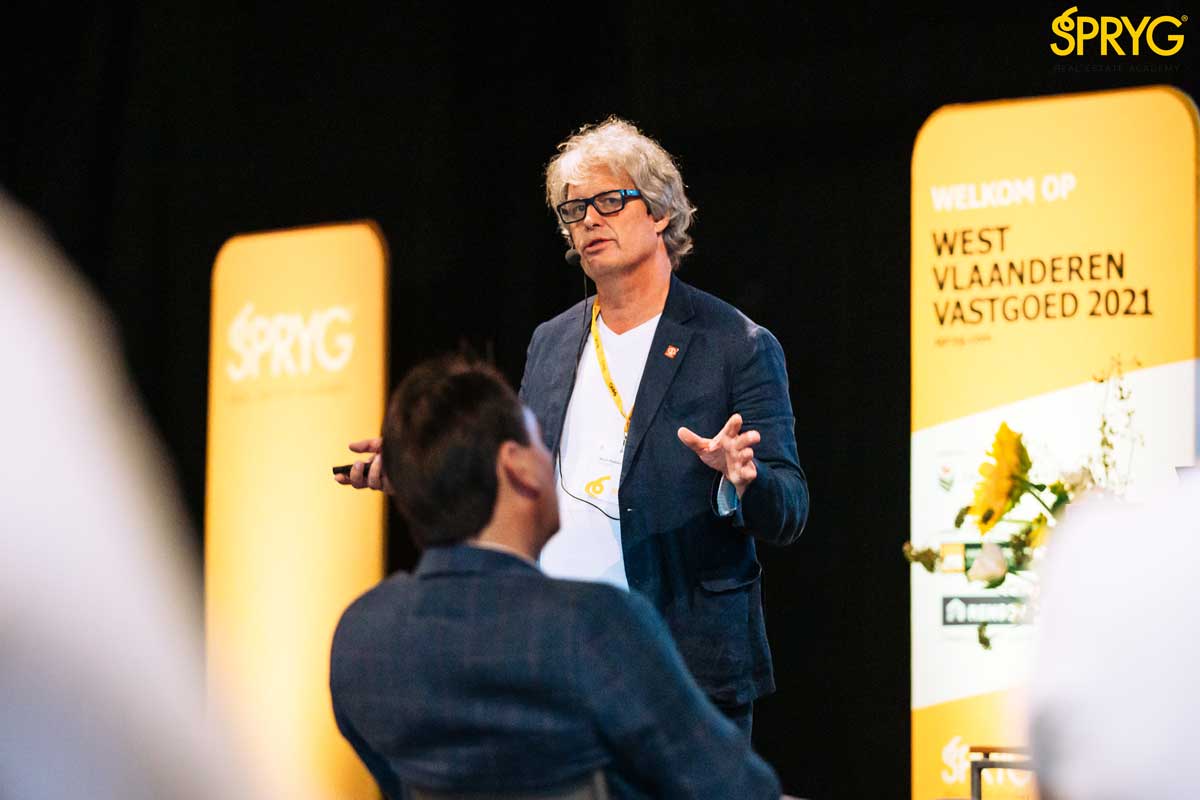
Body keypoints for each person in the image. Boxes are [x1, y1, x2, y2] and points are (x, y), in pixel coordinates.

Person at [336, 117, 810, 734]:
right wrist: (420, 470)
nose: (588, 220)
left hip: (681, 661)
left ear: (661, 213)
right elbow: (515, 475)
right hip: (555, 652)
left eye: (609, 201)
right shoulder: (552, 342)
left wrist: (741, 481)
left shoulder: (735, 344)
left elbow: (789, 507)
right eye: (574, 209)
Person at [328, 356, 782, 799]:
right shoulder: (597, 627)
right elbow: (739, 790)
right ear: (516, 466)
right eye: (543, 444)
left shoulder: (362, 635)